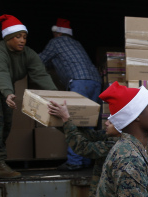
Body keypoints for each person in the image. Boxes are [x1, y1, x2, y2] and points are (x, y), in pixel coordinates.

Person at [0, 14, 58, 179]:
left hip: (6, 86)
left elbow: (40, 74)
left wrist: (55, 94)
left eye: (25, 37)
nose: (22, 40)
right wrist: (7, 93)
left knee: (6, 123)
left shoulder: (28, 54)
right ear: (8, 38)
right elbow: (1, 73)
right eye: (18, 37)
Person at [39, 18, 102, 171]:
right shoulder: (76, 43)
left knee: (74, 121)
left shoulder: (56, 42)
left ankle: (74, 162)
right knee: (88, 123)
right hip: (95, 82)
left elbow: (39, 60)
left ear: (57, 32)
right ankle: (86, 161)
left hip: (79, 82)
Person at [47, 100, 120, 197]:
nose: (106, 123)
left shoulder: (116, 145)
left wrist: (66, 119)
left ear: (121, 126)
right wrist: (61, 122)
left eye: (111, 122)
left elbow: (83, 147)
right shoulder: (112, 137)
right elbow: (90, 135)